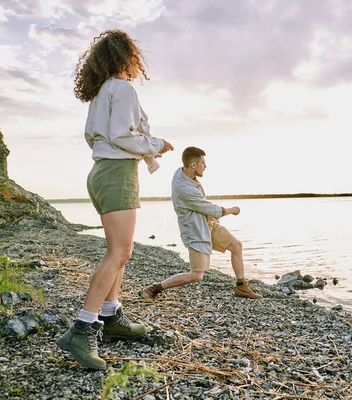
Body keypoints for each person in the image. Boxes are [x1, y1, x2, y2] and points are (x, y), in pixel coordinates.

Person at [56, 30, 174, 371]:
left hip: (102, 172)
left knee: (122, 251)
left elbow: (95, 136)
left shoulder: (102, 92)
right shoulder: (121, 88)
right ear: (128, 57)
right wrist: (157, 144)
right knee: (119, 252)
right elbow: (123, 135)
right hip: (116, 174)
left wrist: (141, 147)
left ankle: (110, 317)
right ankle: (81, 329)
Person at [139, 147, 262, 301]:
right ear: (193, 166)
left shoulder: (184, 174)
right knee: (196, 275)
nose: (205, 166)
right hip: (196, 231)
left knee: (236, 245)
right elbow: (211, 209)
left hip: (208, 224)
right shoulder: (183, 189)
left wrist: (213, 218)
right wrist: (232, 210)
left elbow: (205, 209)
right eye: (203, 163)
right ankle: (153, 289)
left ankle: (241, 287)